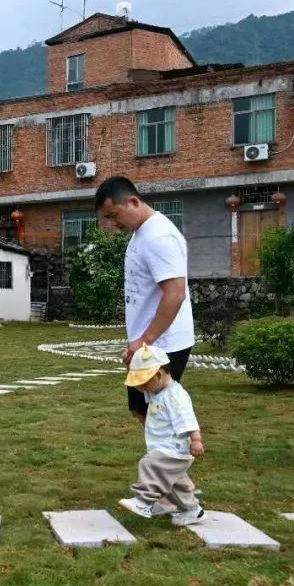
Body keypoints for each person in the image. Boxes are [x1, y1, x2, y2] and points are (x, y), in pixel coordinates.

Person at [94, 176, 195, 424]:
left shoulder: (159, 236)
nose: (113, 223)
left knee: (160, 416)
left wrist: (144, 341)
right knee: (143, 411)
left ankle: (183, 448)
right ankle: (172, 449)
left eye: (114, 215)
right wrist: (138, 342)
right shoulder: (143, 232)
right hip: (150, 343)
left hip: (164, 345)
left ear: (133, 201)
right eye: (108, 218)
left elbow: (175, 294)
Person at [117, 345, 206, 526]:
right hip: (165, 448)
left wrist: (196, 439)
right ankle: (192, 510)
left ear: (158, 375)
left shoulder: (175, 396)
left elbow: (187, 418)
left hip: (174, 450)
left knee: (149, 465)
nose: (142, 389)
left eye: (144, 384)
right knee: (174, 484)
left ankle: (144, 502)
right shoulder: (158, 390)